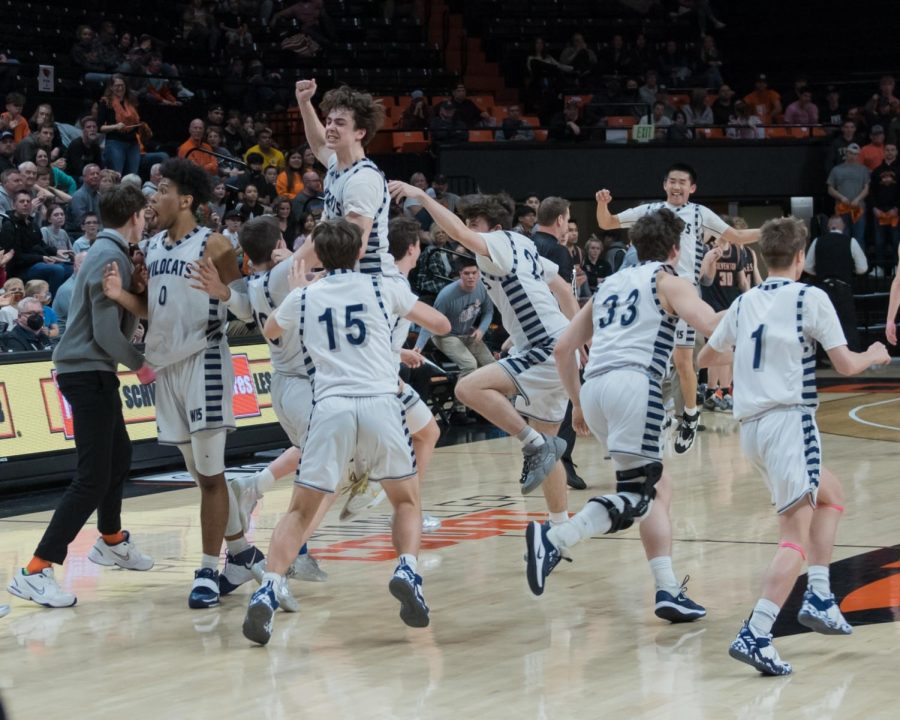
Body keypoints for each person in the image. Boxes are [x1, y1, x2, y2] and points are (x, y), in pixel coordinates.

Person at [242, 219, 450, 644]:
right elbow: (442, 325)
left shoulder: (306, 295)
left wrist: (299, 292)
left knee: (299, 511)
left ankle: (268, 586)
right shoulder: (381, 287)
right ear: (359, 252)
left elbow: (270, 332)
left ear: (317, 253)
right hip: (379, 404)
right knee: (406, 500)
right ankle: (407, 569)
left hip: (330, 407)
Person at [699, 216, 890, 676]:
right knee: (793, 536)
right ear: (801, 257)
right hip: (789, 423)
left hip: (753, 431)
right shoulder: (810, 296)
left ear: (764, 256)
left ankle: (820, 594)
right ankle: (757, 631)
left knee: (833, 493)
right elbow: (845, 365)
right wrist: (875, 355)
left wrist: (744, 352)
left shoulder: (744, 303)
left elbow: (706, 356)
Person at [525, 209, 719, 621]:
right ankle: (556, 539)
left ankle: (667, 589)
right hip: (636, 384)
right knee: (641, 492)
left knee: (658, 488)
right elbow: (712, 324)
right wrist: (757, 308)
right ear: (675, 249)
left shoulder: (610, 284)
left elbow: (564, 350)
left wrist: (577, 403)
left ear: (632, 246)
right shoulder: (669, 281)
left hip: (594, 388)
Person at [101, 158, 262, 609]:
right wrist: (121, 296)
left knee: (211, 476)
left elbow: (249, 310)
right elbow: (155, 310)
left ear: (187, 199)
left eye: (164, 190)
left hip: (204, 362)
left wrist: (225, 293)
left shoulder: (215, 245)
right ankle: (244, 554)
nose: (154, 199)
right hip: (165, 367)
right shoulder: (151, 249)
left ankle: (210, 569)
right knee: (200, 475)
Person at [388, 184, 579, 525]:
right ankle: (560, 528)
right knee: (549, 448)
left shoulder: (499, 243)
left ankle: (533, 443)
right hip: (558, 346)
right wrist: (579, 340)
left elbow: (457, 231)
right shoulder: (524, 243)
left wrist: (424, 196)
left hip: (545, 347)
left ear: (493, 227)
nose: (466, 231)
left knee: (467, 388)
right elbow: (563, 289)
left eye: (474, 224)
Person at [5, 185, 156, 608]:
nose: (146, 222)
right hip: (87, 371)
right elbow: (108, 333)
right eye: (143, 216)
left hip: (91, 370)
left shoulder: (111, 254)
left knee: (120, 457)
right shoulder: (112, 258)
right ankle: (35, 569)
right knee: (91, 477)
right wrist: (140, 365)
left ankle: (109, 539)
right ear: (133, 217)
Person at [595, 164, 760, 453]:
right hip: (652, 291)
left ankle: (690, 415)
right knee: (647, 360)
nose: (677, 186)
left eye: (682, 182)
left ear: (692, 188)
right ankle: (654, 415)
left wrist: (773, 231)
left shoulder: (700, 214)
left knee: (684, 363)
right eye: (672, 181)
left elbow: (737, 236)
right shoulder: (651, 210)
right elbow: (607, 223)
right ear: (664, 184)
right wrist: (601, 204)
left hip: (683, 294)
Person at [414, 254, 495, 423]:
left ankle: (483, 407)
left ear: (479, 273)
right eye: (467, 273)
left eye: (474, 272)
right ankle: (459, 411)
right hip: (445, 335)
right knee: (469, 364)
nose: (471, 277)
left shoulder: (483, 287)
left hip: (468, 333)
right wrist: (418, 347)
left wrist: (481, 329)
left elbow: (488, 312)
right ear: (460, 274)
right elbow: (430, 321)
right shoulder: (446, 296)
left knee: (491, 366)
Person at [804, 215, 867, 351]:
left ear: (828, 227)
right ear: (843, 227)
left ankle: (821, 357)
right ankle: (853, 353)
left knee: (822, 323)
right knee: (847, 323)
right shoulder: (851, 241)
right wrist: (849, 270)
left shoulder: (817, 241)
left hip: (823, 288)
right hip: (843, 286)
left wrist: (821, 272)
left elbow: (807, 267)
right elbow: (863, 268)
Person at [0, 190, 73, 296]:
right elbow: (16, 257)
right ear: (14, 205)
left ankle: (63, 300)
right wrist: (42, 258)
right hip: (19, 270)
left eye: (28, 201)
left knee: (69, 269)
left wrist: (56, 252)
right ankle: (49, 304)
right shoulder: (9, 225)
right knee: (57, 270)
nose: (25, 204)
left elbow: (40, 244)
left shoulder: (31, 224)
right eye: (22, 201)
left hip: (36, 263)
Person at [97, 74, 143, 176]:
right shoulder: (106, 102)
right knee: (116, 175)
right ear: (111, 87)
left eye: (122, 85)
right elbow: (99, 128)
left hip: (133, 143)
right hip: (115, 143)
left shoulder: (131, 101)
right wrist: (115, 126)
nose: (120, 88)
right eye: (117, 86)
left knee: (132, 176)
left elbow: (137, 121)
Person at [827, 143, 869, 245]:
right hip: (842, 208)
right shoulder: (836, 169)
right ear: (846, 153)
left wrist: (857, 199)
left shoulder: (863, 169)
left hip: (858, 209)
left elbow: (866, 189)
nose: (853, 155)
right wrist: (841, 197)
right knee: (842, 237)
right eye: (851, 153)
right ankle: (844, 260)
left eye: (855, 154)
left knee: (859, 238)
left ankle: (859, 260)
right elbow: (830, 189)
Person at [869, 142, 899, 277]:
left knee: (896, 240)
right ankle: (879, 267)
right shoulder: (876, 171)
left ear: (896, 152)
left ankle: (897, 266)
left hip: (895, 211)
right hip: (879, 211)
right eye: (887, 150)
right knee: (879, 241)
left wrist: (897, 208)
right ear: (884, 152)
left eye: (892, 150)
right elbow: (871, 192)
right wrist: (874, 208)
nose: (890, 152)